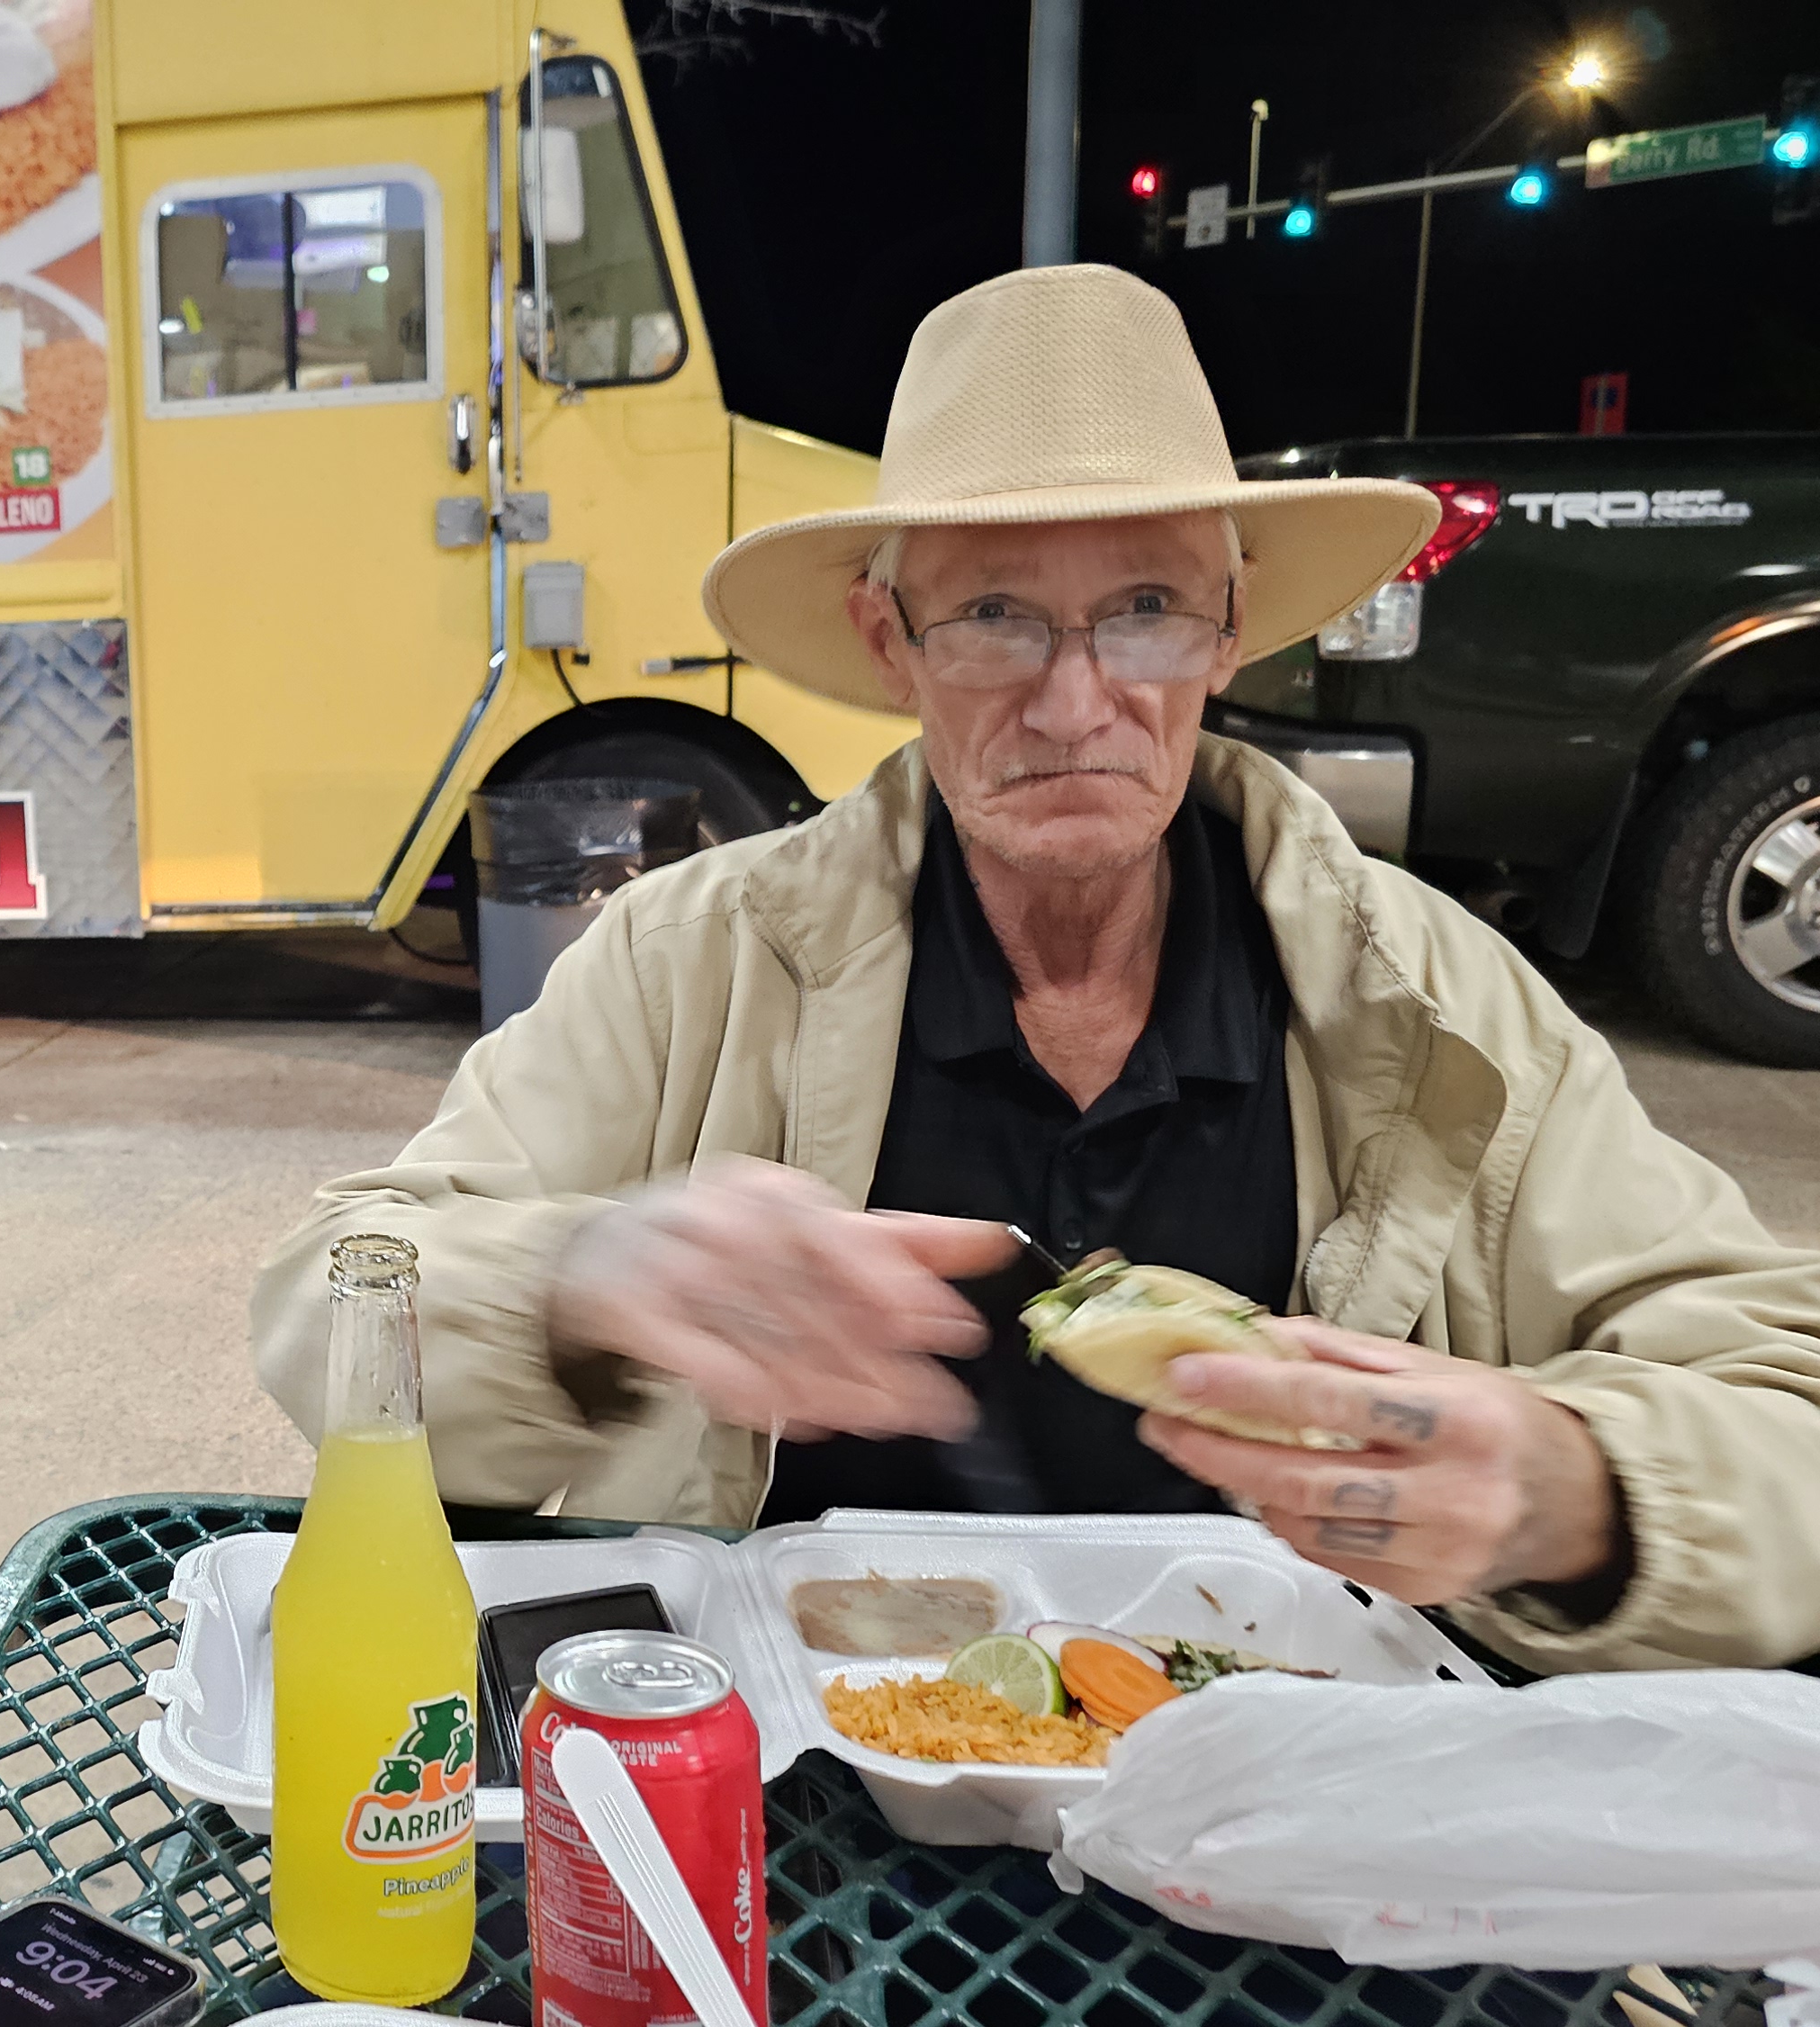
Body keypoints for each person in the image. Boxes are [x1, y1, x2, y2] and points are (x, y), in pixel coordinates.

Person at [250, 266, 1820, 1674]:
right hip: (797, 1802)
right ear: (891, 642)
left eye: (1141, 610)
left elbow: (1783, 1409)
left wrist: (1572, 1486)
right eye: (997, 614)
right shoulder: (694, 958)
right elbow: (328, 1299)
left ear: (1230, 628)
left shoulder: (1432, 1003)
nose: (1075, 705)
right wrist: (582, 1277)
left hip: (1293, 1816)